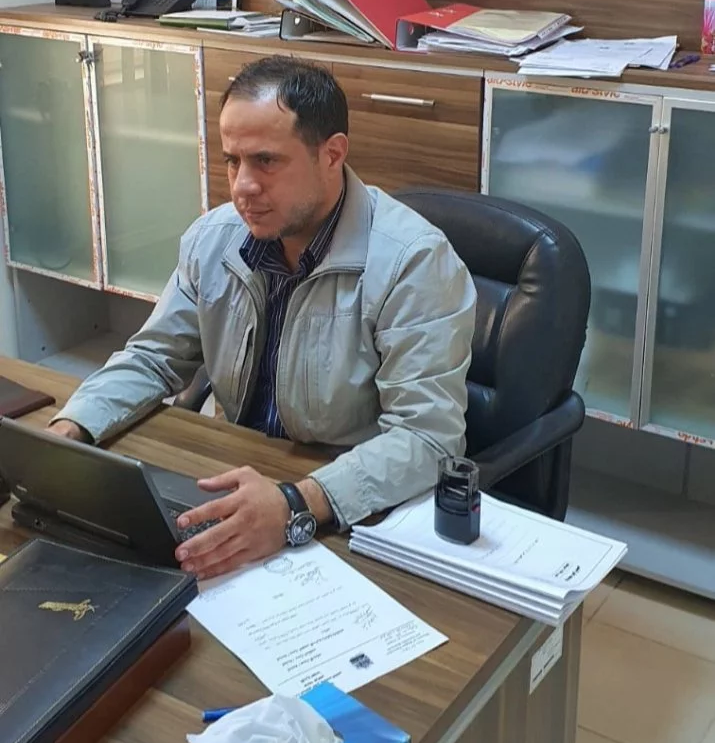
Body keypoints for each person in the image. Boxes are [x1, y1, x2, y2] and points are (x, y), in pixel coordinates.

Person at [48, 56, 477, 579]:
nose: (242, 187)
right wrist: (69, 432)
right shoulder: (214, 240)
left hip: (347, 503)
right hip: (231, 475)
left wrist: (296, 503)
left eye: (266, 161)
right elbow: (153, 357)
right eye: (233, 161)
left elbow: (428, 438)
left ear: (332, 154)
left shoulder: (414, 262)